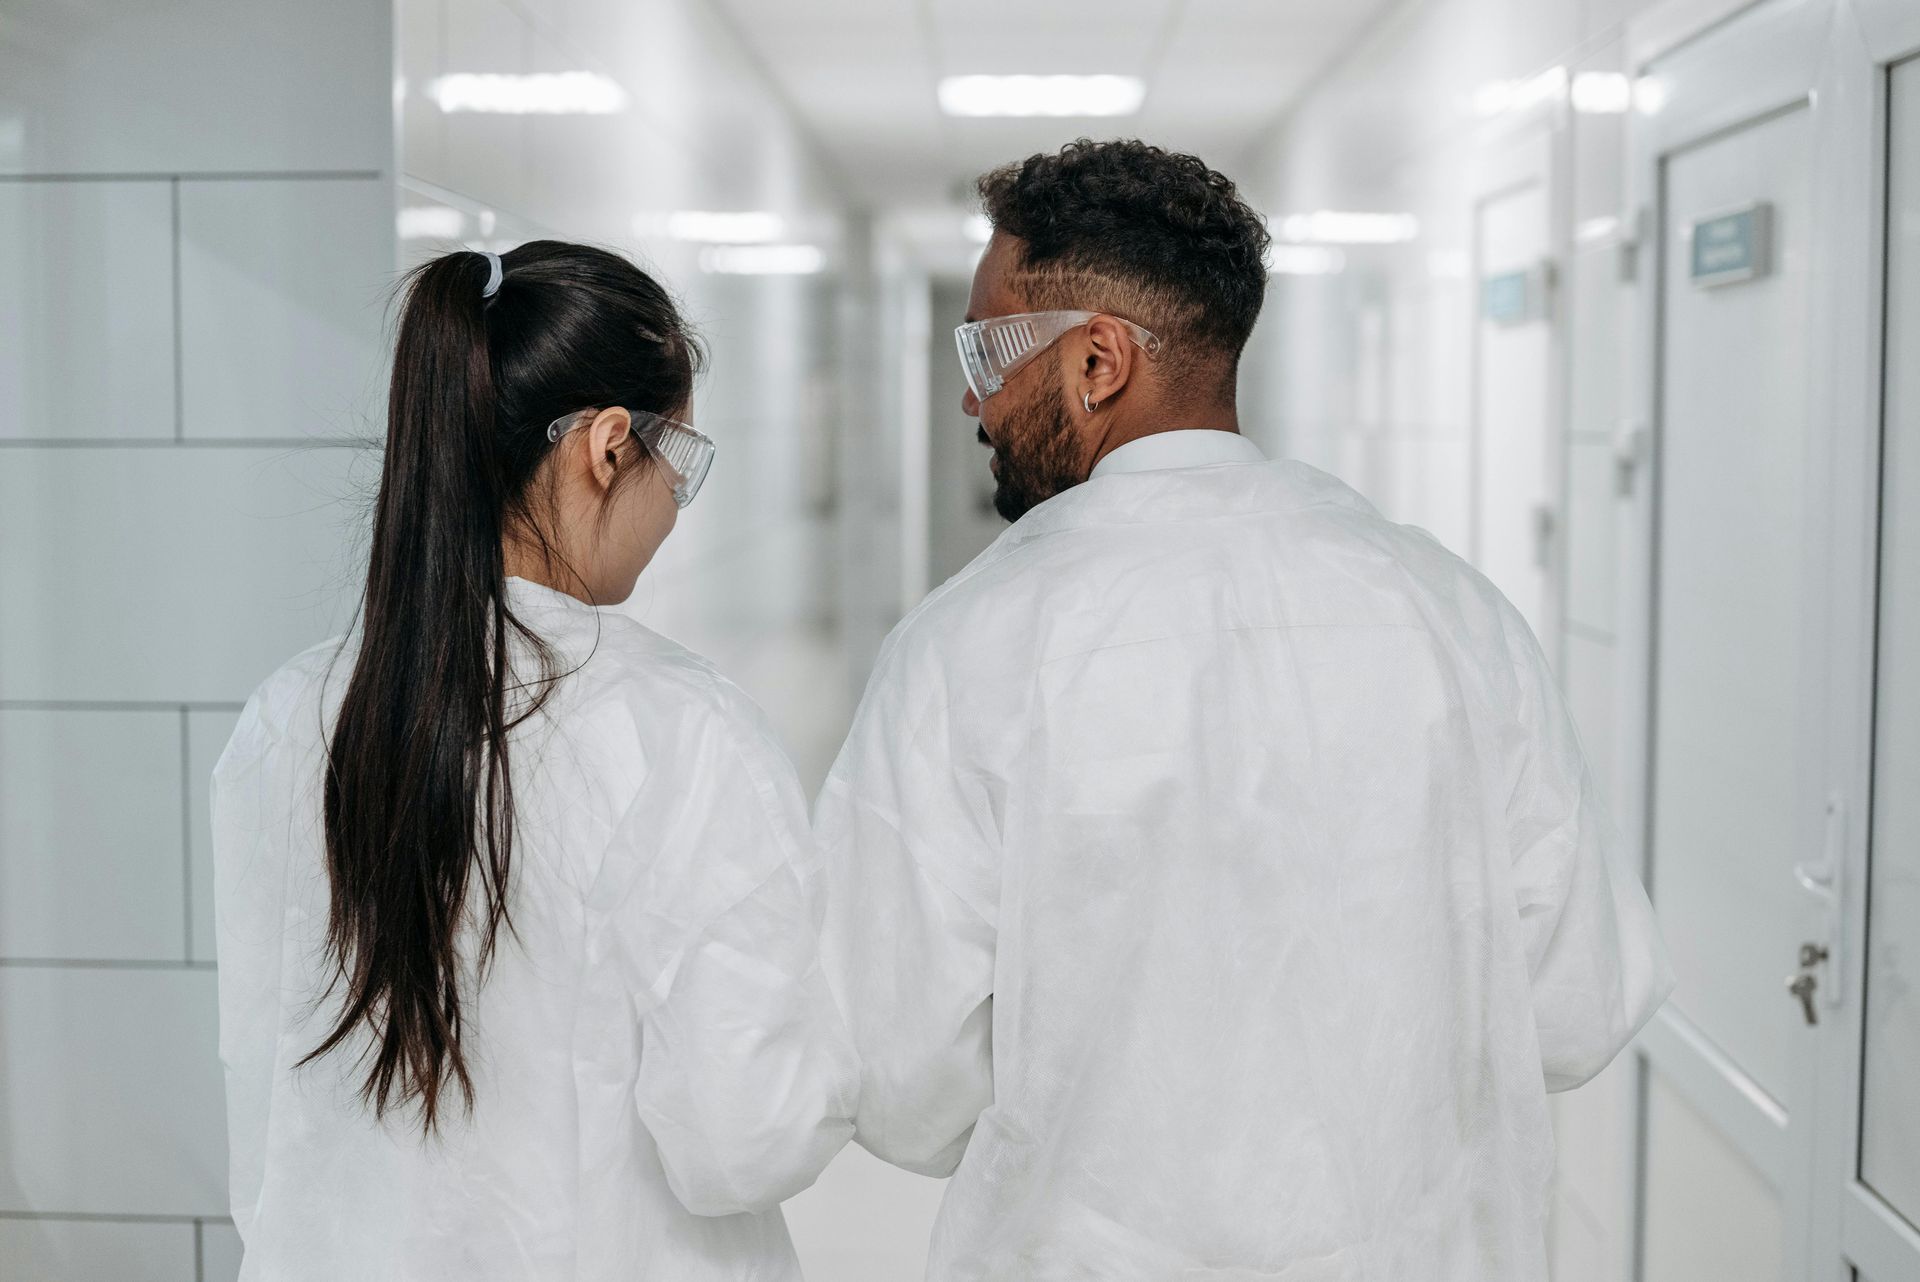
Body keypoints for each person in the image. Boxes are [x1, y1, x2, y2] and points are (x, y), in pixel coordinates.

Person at [815, 140, 1672, 1280]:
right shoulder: (1448, 610)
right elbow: (1578, 1003)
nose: (972, 391)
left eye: (985, 348)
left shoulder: (971, 645)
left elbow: (901, 1076)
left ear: (1099, 361)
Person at [212, 242, 857, 1281]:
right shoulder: (682, 732)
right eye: (676, 462)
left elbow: (266, 1099)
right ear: (607, 447)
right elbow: (743, 1140)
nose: (671, 506)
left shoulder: (290, 717)